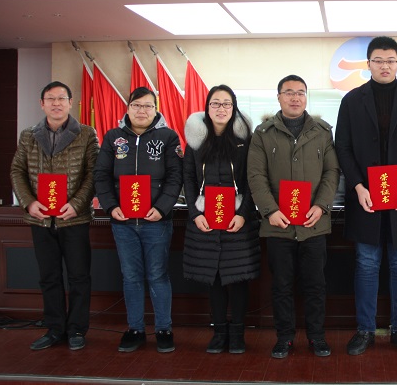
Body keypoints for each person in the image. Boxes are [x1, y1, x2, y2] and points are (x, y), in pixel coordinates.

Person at [335, 36, 397, 356]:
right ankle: (365, 330)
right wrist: (357, 186)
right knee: (366, 264)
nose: (384, 66)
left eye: (390, 60)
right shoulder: (352, 101)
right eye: (378, 60)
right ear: (368, 64)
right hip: (365, 197)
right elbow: (342, 147)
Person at [247, 75, 340, 359]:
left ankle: (317, 337)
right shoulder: (263, 133)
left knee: (315, 285)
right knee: (281, 286)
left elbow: (332, 172)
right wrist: (270, 210)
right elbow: (256, 175)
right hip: (278, 225)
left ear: (306, 97)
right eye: (289, 92)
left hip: (314, 224)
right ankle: (284, 337)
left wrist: (321, 206)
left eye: (300, 92)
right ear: (278, 97)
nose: (295, 97)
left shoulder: (322, 132)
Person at [93, 87, 183, 353]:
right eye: (136, 105)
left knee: (157, 275)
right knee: (131, 276)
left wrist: (162, 208)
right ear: (128, 108)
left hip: (156, 221)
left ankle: (164, 329)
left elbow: (175, 177)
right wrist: (110, 206)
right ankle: (135, 329)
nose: (142, 111)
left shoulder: (168, 137)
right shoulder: (113, 137)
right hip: (123, 222)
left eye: (147, 106)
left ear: (156, 109)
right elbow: (101, 175)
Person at [10, 81, 98, 351]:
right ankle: (55, 328)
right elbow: (17, 171)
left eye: (61, 98)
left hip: (74, 218)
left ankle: (77, 329)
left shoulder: (86, 134)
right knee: (48, 276)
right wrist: (28, 202)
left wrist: (77, 204)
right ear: (42, 104)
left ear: (70, 103)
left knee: (79, 276)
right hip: (40, 218)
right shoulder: (28, 135)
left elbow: (93, 174)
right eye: (51, 99)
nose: (56, 103)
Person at [182, 85, 260, 354]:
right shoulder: (195, 141)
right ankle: (219, 333)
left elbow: (252, 179)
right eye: (215, 103)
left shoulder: (245, 140)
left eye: (227, 104)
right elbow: (188, 179)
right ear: (207, 107)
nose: (221, 109)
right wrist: (195, 214)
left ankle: (237, 333)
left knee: (237, 278)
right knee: (213, 278)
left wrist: (243, 214)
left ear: (234, 108)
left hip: (238, 221)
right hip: (205, 219)